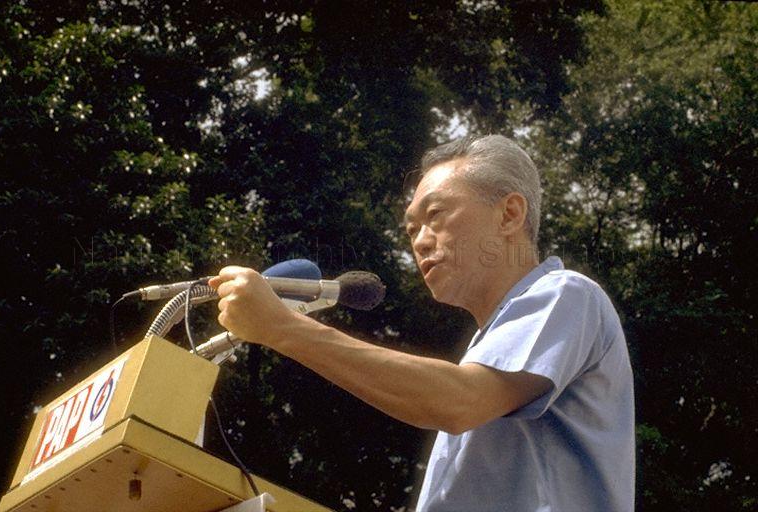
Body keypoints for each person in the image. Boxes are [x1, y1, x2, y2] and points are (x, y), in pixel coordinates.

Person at [209, 134, 635, 511]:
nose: (419, 240)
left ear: (509, 214)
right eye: (411, 229)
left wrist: (282, 328)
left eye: (435, 215)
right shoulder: (485, 346)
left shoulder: (566, 294)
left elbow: (459, 401)